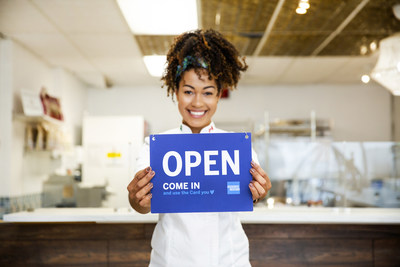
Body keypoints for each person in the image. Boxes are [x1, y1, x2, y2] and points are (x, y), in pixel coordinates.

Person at [127, 29, 271, 267]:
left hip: (228, 260)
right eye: (188, 91)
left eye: (208, 93)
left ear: (218, 96)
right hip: (172, 261)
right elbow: (143, 205)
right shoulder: (156, 147)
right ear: (176, 92)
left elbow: (248, 197)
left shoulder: (238, 147)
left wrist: (258, 193)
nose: (197, 102)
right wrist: (136, 199)